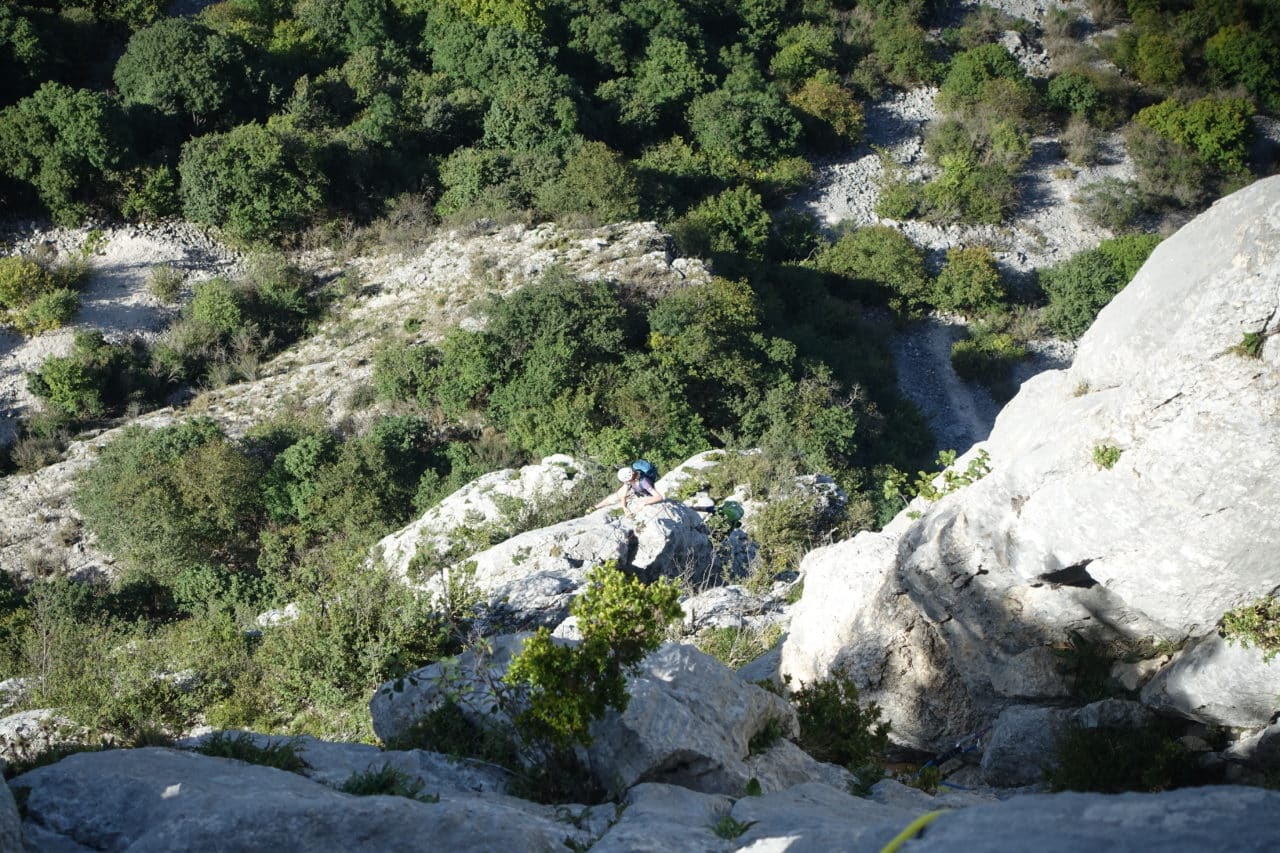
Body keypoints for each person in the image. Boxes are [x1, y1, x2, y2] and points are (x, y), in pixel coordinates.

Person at [593, 465, 665, 515]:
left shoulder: (644, 482)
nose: (626, 483)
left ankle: (596, 507)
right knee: (616, 496)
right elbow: (622, 495)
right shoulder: (631, 479)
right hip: (636, 491)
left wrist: (644, 503)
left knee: (634, 505)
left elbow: (659, 497)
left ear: (629, 479)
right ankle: (595, 507)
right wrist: (624, 507)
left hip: (644, 495)